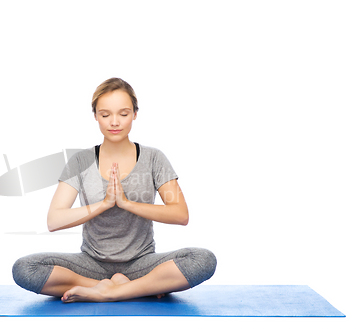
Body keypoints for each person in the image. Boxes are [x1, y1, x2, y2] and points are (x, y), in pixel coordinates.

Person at [12, 77, 217, 303]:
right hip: (91, 264)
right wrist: (105, 204)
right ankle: (129, 289)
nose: (114, 122)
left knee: (203, 260)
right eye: (105, 114)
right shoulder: (80, 161)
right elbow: (54, 220)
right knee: (25, 268)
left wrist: (127, 203)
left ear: (135, 114)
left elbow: (180, 214)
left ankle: (109, 292)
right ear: (96, 116)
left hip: (142, 264)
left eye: (123, 113)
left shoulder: (154, 159)